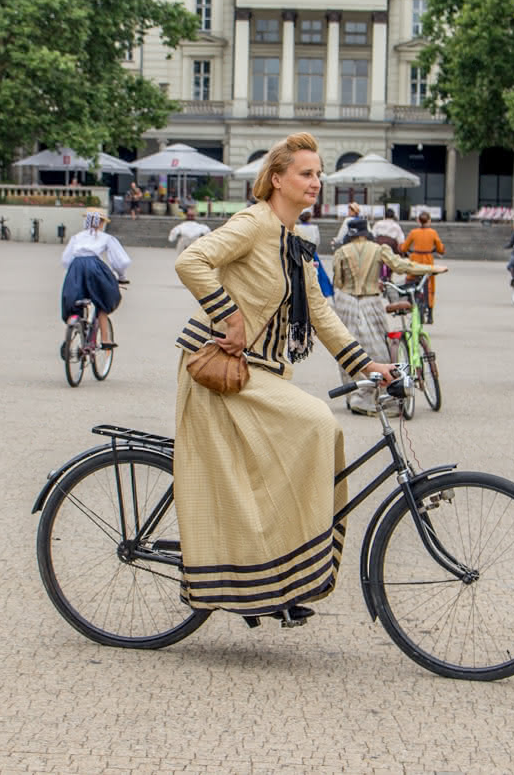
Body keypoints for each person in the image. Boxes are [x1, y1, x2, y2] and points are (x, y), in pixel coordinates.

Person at [172, 132, 394, 625]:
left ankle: (278, 576)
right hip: (221, 373)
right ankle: (266, 577)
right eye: (305, 174)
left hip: (260, 374)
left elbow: (322, 315)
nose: (315, 182)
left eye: (318, 175)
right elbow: (192, 260)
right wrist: (228, 315)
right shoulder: (253, 223)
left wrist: (368, 364)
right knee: (317, 420)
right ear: (277, 179)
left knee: (302, 447)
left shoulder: (296, 245)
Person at [331, 215, 445, 414]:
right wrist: (431, 268)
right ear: (367, 232)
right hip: (371, 302)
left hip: (346, 302)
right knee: (379, 350)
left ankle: (354, 397)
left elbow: (338, 281)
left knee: (348, 349)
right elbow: (401, 265)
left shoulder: (341, 252)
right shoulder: (378, 249)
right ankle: (379, 395)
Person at [60, 211, 131, 351]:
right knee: (103, 299)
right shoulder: (106, 238)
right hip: (95, 269)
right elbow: (121, 261)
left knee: (73, 301)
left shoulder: (77, 237)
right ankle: (105, 339)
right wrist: (121, 277)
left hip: (76, 268)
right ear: (101, 223)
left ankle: (67, 340)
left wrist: (72, 274)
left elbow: (65, 260)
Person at [399, 211, 446, 321]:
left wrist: (402, 249)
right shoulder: (433, 233)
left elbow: (404, 247)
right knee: (430, 286)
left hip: (415, 260)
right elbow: (440, 248)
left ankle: (410, 303)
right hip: (428, 260)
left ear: (418, 221)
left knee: (410, 280)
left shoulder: (413, 232)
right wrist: (440, 250)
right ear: (429, 221)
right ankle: (430, 314)